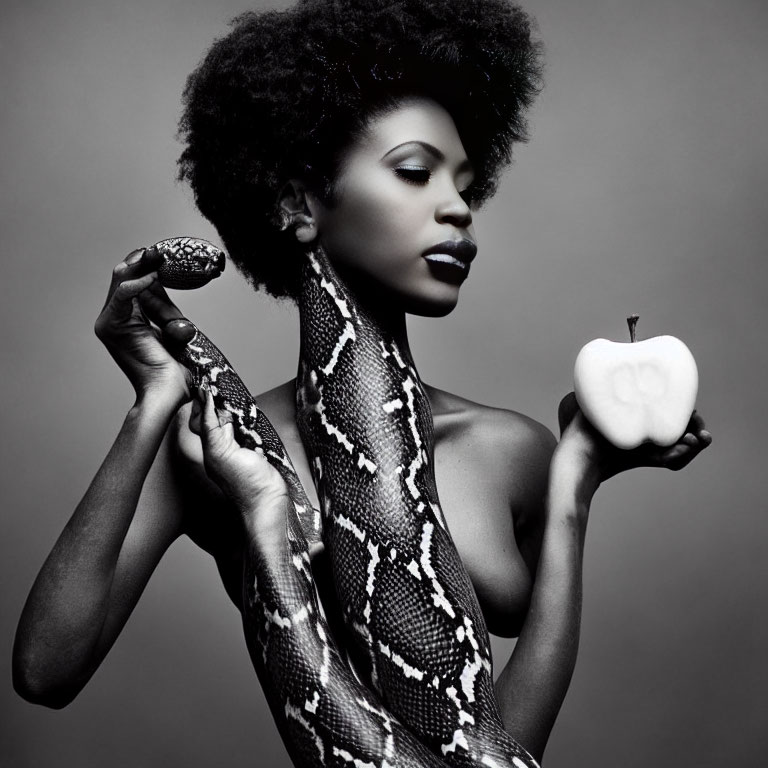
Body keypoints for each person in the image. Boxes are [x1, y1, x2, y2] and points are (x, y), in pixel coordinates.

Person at [12, 0, 711, 765]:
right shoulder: (218, 444)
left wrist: (576, 479)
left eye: (466, 186)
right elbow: (45, 673)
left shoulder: (514, 448)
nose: (457, 211)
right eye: (415, 172)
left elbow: (496, 749)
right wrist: (153, 400)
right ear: (295, 203)